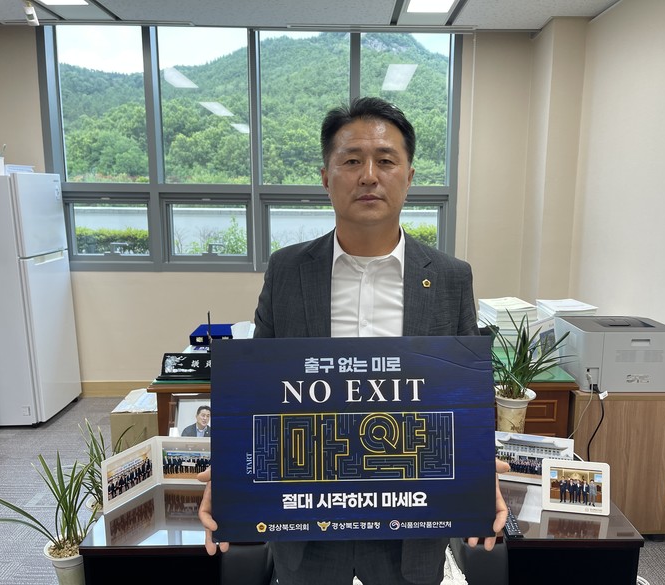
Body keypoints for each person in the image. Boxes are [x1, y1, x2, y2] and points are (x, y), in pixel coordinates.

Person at [198, 96, 509, 584]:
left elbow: (462, 400)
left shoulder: (450, 277)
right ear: (326, 176)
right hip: (307, 522)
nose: (369, 176)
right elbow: (260, 395)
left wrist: (478, 476)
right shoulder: (287, 271)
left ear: (409, 176)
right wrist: (231, 473)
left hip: (412, 522)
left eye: (385, 160)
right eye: (351, 161)